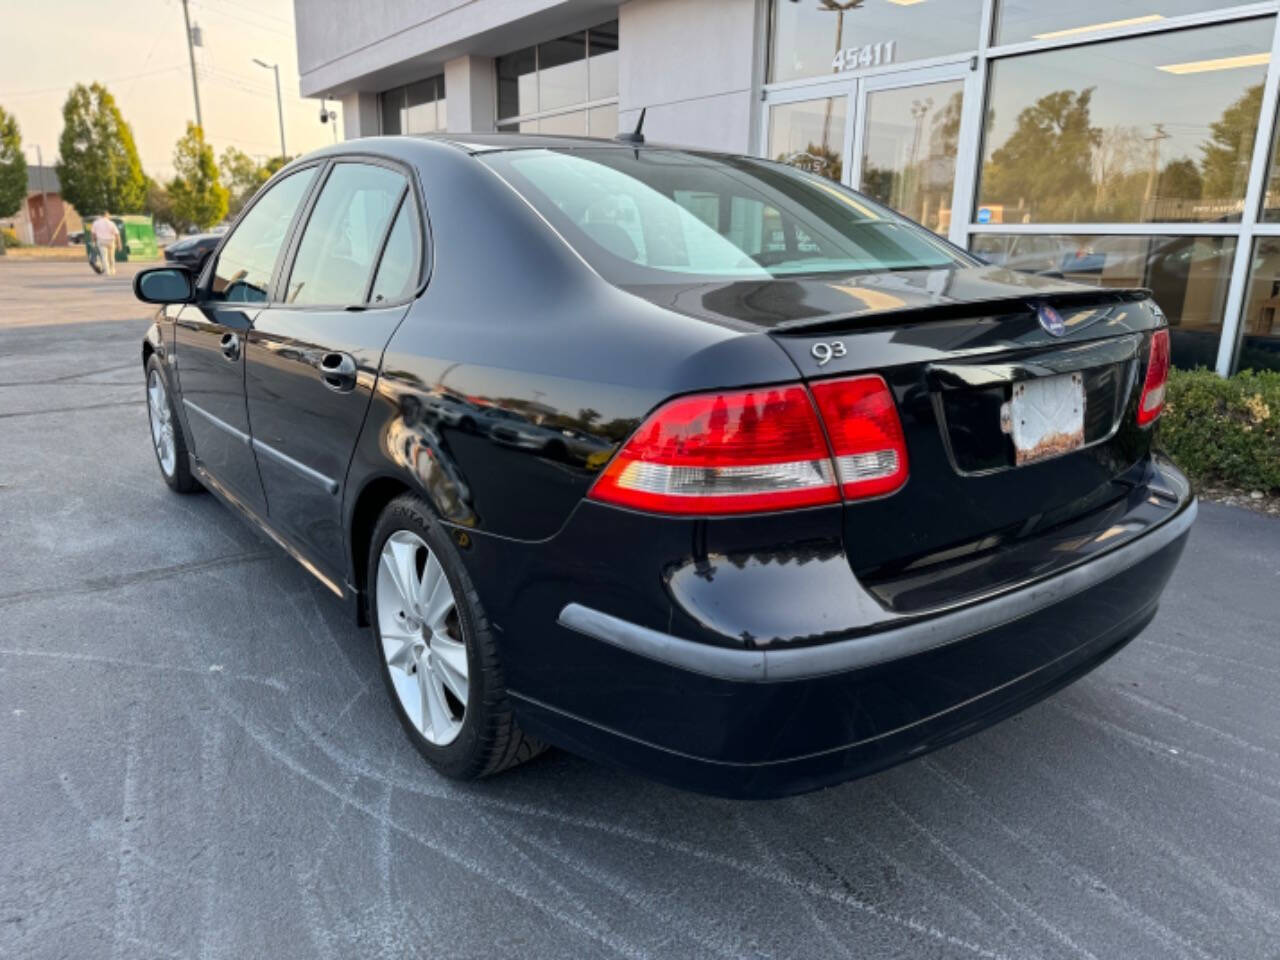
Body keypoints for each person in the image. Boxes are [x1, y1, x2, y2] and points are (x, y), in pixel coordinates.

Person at [90, 212, 121, 277]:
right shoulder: (111, 223)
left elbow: (93, 234)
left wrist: (93, 242)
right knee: (111, 256)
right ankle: (112, 270)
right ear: (106, 215)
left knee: (104, 257)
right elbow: (117, 234)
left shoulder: (96, 223)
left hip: (101, 241)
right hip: (111, 241)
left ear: (100, 215)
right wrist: (119, 244)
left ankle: (107, 271)